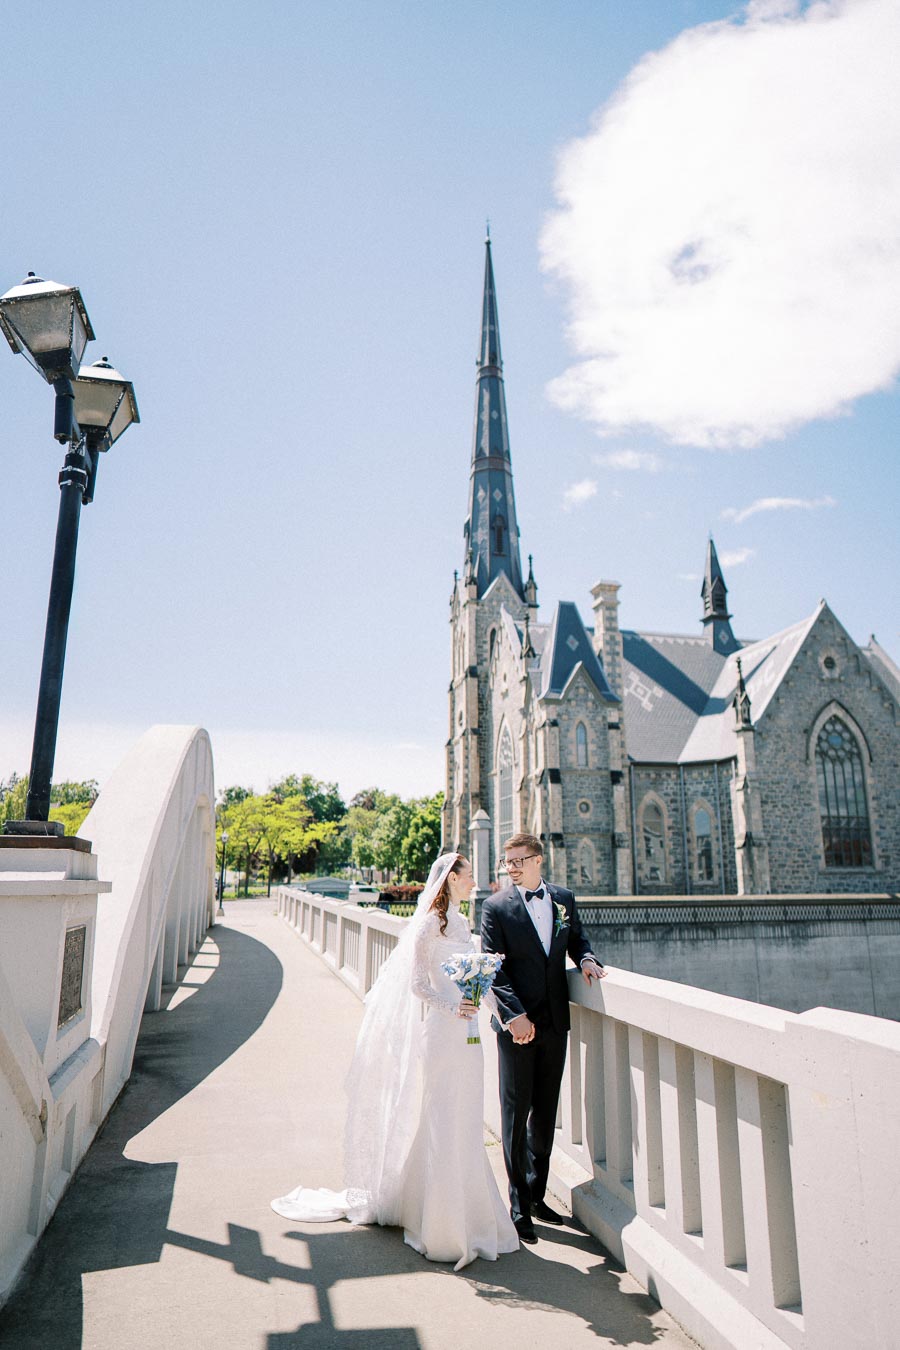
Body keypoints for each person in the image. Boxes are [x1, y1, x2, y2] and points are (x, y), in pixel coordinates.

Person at [272, 851, 518, 1271]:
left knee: (465, 1116)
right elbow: (419, 985)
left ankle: (472, 1213)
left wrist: (501, 1015)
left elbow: (481, 981)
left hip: (471, 1034)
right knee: (441, 1115)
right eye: (469, 875)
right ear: (451, 881)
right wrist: (451, 1007)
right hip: (443, 1032)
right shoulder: (427, 925)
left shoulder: (461, 922)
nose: (475, 881)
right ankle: (441, 1222)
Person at [480, 832, 606, 1244]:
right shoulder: (495, 907)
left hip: (554, 1023)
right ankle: (518, 1209)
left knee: (545, 1116)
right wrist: (514, 1016)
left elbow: (577, 941)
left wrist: (586, 958)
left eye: (518, 860)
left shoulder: (564, 899)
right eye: (507, 861)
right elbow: (493, 969)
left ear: (538, 860)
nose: (511, 867)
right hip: (516, 1028)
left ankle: (537, 1194)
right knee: (515, 1118)